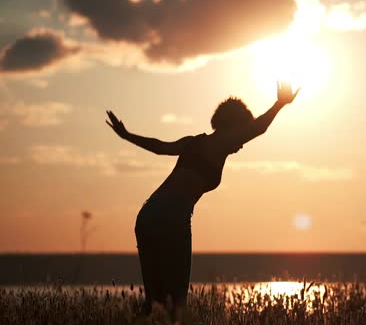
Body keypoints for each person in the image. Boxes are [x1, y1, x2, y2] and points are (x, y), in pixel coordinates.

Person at [105, 82, 299, 315]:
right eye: (242, 133)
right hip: (173, 219)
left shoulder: (193, 141)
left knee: (154, 303)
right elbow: (258, 128)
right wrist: (279, 104)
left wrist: (126, 136)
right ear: (235, 127)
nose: (242, 144)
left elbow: (159, 147)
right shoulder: (222, 142)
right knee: (175, 304)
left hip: (149, 215)